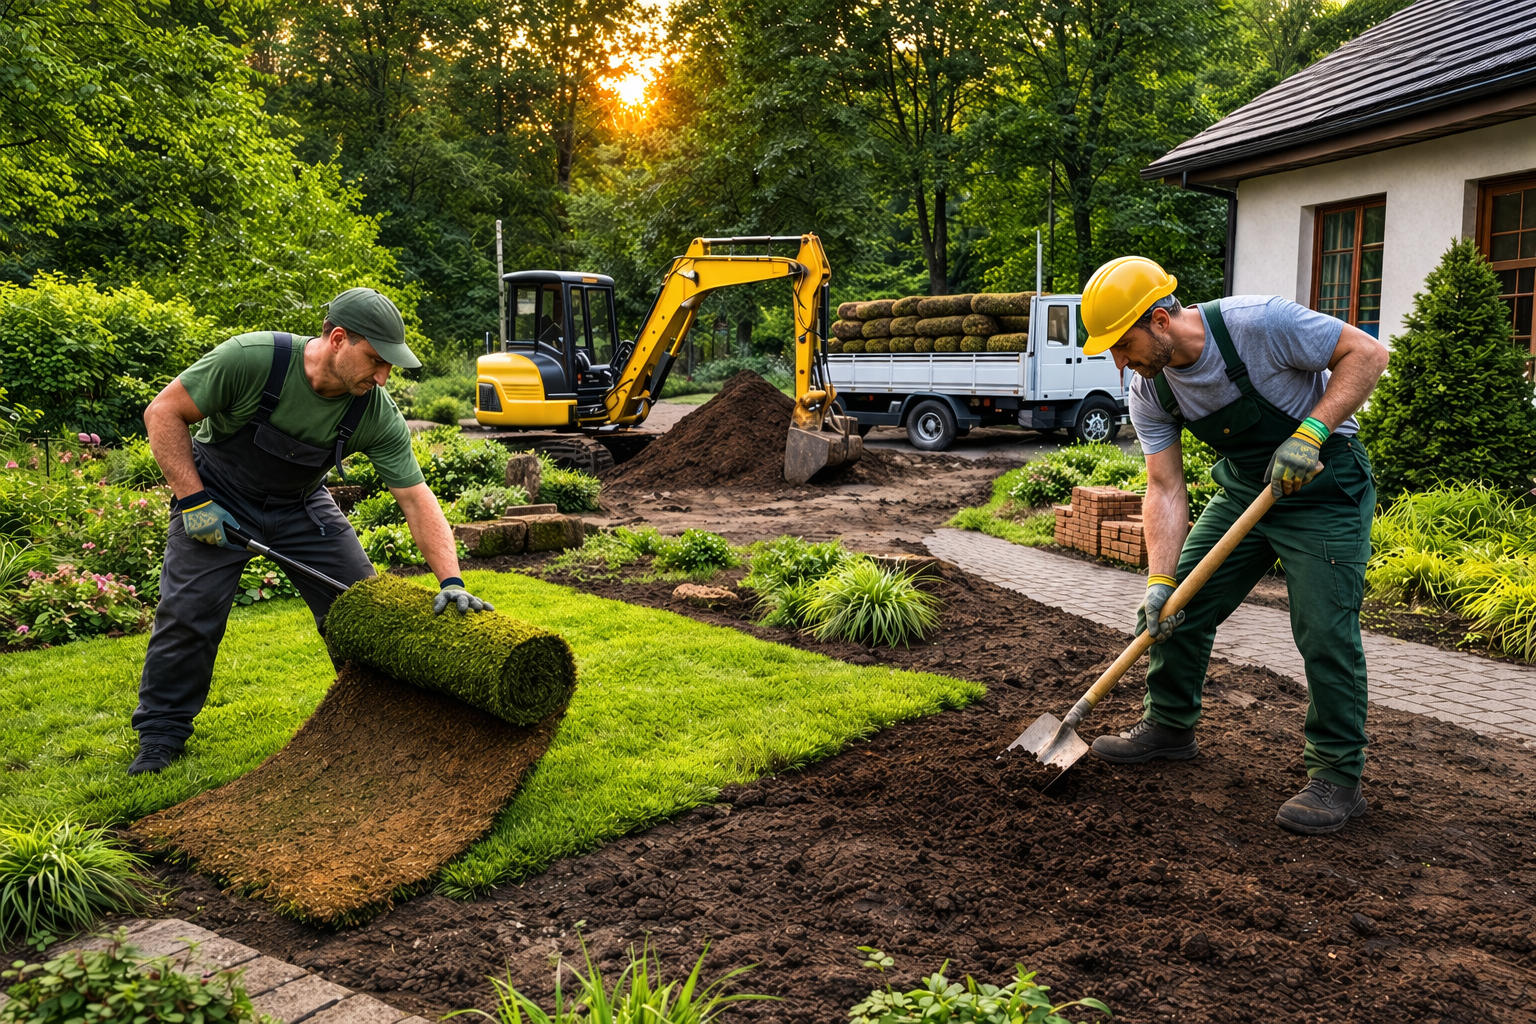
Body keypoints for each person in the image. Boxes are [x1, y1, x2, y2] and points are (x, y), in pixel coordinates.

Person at [1078, 257, 1390, 835]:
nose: (1119, 363)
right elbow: (1165, 487)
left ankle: (1337, 778)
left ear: (1159, 320)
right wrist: (1158, 581)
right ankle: (1169, 726)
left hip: (1324, 489)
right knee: (1176, 608)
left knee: (1324, 631)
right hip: (1247, 486)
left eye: (1122, 344)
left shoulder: (1260, 325)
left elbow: (1367, 354)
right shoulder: (1151, 391)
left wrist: (1311, 431)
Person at [130, 287, 494, 776]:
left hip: (301, 505)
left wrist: (451, 580)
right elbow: (162, 412)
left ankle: (379, 716)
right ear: (338, 339)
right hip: (217, 495)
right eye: (376, 360)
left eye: (391, 366)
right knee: (189, 615)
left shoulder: (373, 410)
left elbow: (415, 496)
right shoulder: (252, 360)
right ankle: (160, 736)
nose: (384, 376)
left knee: (360, 606)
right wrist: (194, 502)